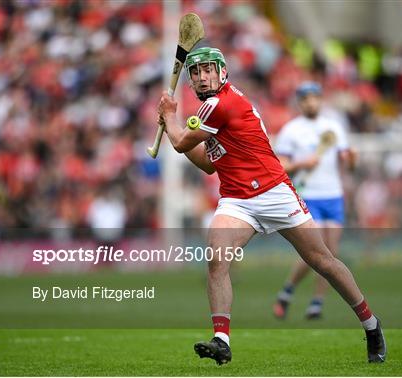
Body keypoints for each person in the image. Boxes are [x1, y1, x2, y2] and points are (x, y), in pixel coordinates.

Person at [157, 47, 386, 365]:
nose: (202, 76)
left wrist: (169, 117)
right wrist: (172, 127)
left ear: (222, 72)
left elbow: (182, 141)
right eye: (195, 72)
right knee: (217, 257)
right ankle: (221, 340)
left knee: (322, 261)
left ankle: (371, 325)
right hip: (237, 199)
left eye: (208, 70)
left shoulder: (220, 104)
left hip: (274, 191)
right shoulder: (210, 112)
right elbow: (208, 164)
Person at [272, 82, 355, 320]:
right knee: (315, 253)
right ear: (300, 102)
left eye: (315, 98)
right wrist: (302, 163)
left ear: (321, 100)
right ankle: (288, 290)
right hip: (308, 195)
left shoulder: (333, 127)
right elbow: (281, 165)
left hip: (333, 196)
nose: (311, 102)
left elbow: (347, 162)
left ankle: (317, 302)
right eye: (306, 98)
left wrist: (352, 160)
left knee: (331, 253)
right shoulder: (291, 130)